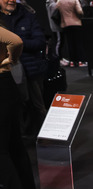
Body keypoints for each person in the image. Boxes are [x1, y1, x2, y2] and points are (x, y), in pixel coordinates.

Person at [0, 22, 37, 189]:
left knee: (2, 151)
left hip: (2, 88)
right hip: (6, 87)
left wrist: (9, 59)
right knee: (14, 146)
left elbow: (16, 41)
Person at [0, 0, 48, 140]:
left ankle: (45, 139)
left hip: (32, 70)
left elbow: (40, 42)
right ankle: (20, 138)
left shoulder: (27, 15)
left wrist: (16, 43)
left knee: (38, 106)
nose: (11, 1)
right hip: (8, 73)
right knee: (15, 107)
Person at [56, 0, 87, 67]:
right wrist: (81, 16)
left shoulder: (59, 1)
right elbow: (79, 11)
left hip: (65, 24)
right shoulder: (74, 0)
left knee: (70, 43)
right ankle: (81, 61)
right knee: (78, 43)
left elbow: (57, 10)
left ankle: (73, 61)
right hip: (76, 23)